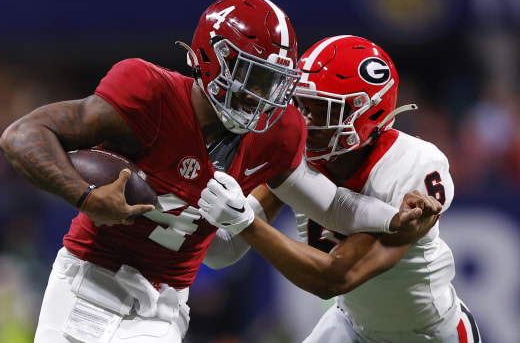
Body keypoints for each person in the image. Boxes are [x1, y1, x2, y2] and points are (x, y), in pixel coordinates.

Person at [0, 0, 436, 343]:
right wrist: (84, 196)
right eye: (253, 76)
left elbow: (330, 203)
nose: (262, 96)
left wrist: (392, 216)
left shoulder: (277, 132)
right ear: (213, 58)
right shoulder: (148, 92)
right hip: (88, 279)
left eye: (274, 82)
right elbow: (20, 136)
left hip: (166, 301)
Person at [199, 35, 481, 342]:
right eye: (302, 104)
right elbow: (224, 251)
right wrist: (193, 201)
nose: (306, 120)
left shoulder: (411, 166)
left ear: (367, 113)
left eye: (323, 110)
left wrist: (244, 222)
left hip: (424, 334)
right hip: (349, 325)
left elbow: (337, 277)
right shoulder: (296, 153)